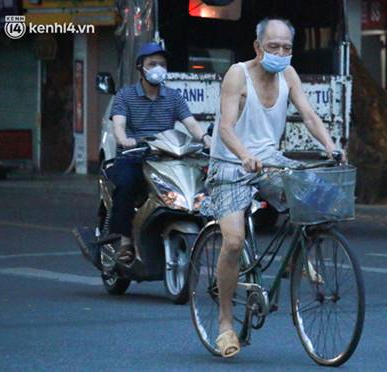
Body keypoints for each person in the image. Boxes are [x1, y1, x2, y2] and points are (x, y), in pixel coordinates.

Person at [207, 17, 341, 358]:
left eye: (286, 48)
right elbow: (225, 127)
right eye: (273, 47)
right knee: (234, 242)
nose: (280, 53)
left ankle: (304, 251)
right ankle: (225, 323)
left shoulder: (288, 75)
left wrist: (330, 145)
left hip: (271, 161)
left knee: (322, 194)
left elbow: (309, 116)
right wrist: (245, 155)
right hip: (230, 164)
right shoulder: (238, 74)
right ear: (257, 46)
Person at [109, 42, 211, 262]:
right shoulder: (125, 96)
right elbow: (118, 125)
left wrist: (205, 139)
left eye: (162, 64)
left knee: (200, 181)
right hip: (134, 156)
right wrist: (124, 140)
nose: (158, 68)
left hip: (166, 158)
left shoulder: (173, 97)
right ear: (140, 67)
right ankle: (126, 242)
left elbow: (191, 124)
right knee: (126, 184)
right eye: (152, 63)